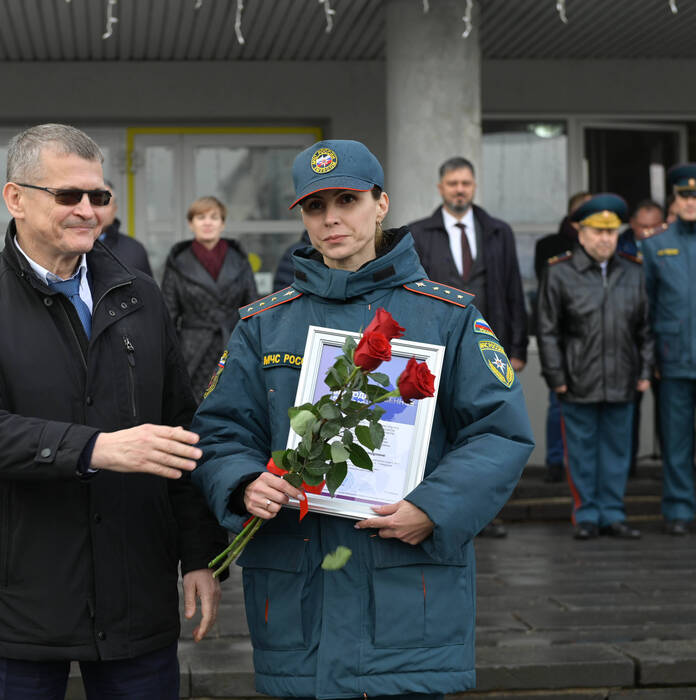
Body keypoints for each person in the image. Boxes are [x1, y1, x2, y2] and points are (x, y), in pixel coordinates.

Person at [191, 139, 534, 699]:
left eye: (347, 200)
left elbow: (499, 430)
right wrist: (241, 483)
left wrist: (433, 507)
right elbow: (221, 432)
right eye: (314, 207)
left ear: (381, 204)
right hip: (297, 594)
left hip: (406, 591)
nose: (331, 219)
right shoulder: (263, 326)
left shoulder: (446, 317)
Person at [0, 124, 226, 700]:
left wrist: (199, 554)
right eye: (69, 196)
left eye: (100, 196)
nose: (89, 210)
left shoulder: (142, 295)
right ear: (16, 198)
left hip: (136, 597)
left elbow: (182, 429)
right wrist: (96, 448)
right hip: (19, 604)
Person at [408, 156, 528, 538]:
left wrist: (517, 347)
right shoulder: (418, 233)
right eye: (453, 183)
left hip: (486, 350)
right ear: (441, 187)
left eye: (466, 183)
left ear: (474, 187)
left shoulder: (498, 232)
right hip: (433, 349)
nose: (460, 189)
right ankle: (438, 509)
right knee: (439, 431)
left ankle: (486, 514)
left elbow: (512, 291)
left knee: (486, 431)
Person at [537, 194, 653, 540]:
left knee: (617, 453)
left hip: (623, 379)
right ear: (581, 233)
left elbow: (646, 328)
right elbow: (547, 330)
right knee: (583, 453)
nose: (605, 239)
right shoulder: (559, 272)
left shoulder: (634, 271)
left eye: (611, 232)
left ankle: (613, 514)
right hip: (577, 380)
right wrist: (556, 377)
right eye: (597, 231)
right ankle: (586, 514)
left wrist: (645, 372)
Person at [640, 164, 696, 536]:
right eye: (685, 195)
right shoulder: (656, 244)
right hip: (674, 359)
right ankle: (679, 508)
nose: (692, 202)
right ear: (674, 201)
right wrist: (652, 358)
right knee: (676, 442)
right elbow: (646, 307)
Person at [161, 196, 258, 402]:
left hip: (233, 346)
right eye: (200, 217)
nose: (207, 222)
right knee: (194, 413)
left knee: (233, 407)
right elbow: (167, 315)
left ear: (222, 224)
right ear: (191, 223)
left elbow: (252, 308)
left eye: (214, 217)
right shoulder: (178, 262)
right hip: (192, 352)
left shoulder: (239, 259)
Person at [533, 191, 591, 483]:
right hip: (565, 340)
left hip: (596, 342)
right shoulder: (550, 247)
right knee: (559, 406)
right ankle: (556, 462)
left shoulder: (605, 248)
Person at [618, 199, 665, 475]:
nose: (648, 233)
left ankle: (669, 465)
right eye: (643, 227)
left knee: (671, 415)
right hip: (631, 345)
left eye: (655, 227)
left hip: (667, 344)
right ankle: (628, 468)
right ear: (632, 225)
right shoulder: (618, 248)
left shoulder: (673, 249)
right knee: (628, 412)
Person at [98, 179, 154, 276]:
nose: (99, 210)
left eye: (105, 203)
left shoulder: (135, 250)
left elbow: (146, 289)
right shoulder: (72, 247)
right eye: (95, 203)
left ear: (114, 209)